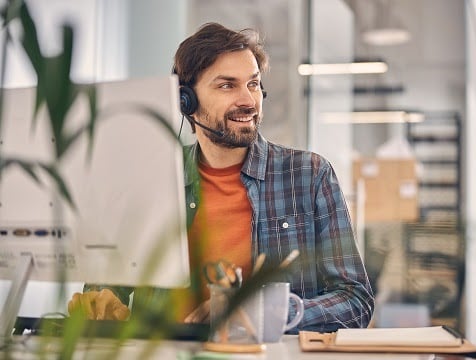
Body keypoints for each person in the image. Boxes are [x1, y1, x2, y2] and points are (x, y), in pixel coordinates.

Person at [68, 22, 374, 333]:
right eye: (227, 85)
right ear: (185, 101)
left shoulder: (309, 176)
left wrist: (264, 313)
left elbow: (356, 301)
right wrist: (100, 304)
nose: (248, 101)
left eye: (253, 84)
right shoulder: (152, 179)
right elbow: (106, 289)